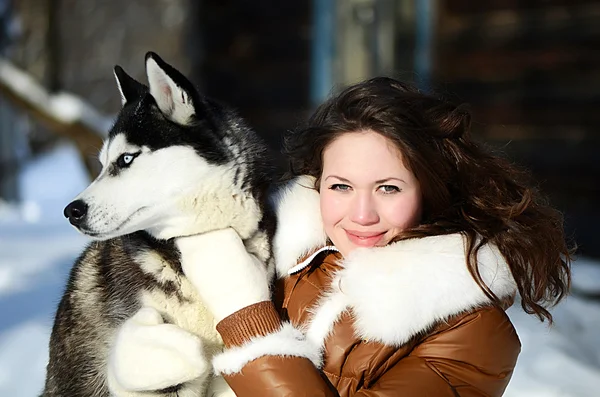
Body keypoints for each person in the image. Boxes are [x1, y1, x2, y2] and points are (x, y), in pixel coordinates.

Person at [112, 77, 572, 396]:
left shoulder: (472, 331)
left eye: (389, 188)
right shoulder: (283, 259)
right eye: (341, 186)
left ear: (431, 189)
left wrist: (247, 321)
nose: (362, 214)